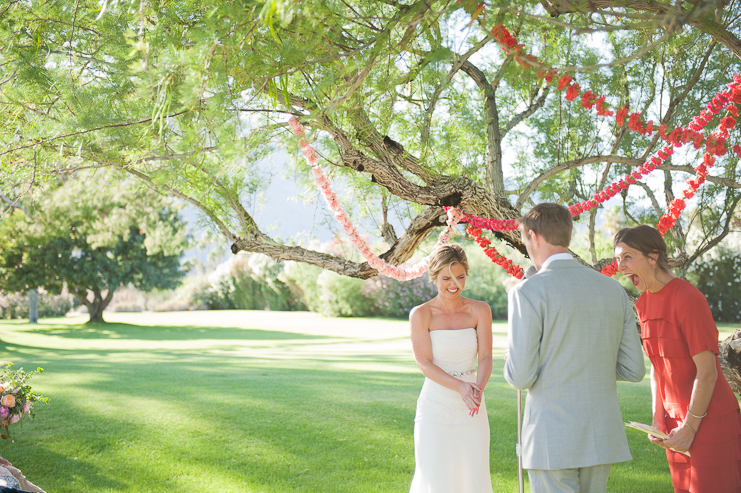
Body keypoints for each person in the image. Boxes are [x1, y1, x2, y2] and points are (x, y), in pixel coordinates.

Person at [504, 203, 646, 493]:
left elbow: (520, 377)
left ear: (534, 236)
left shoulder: (528, 291)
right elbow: (634, 370)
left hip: (550, 435)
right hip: (600, 433)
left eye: (525, 240)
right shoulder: (613, 290)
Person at [614, 224, 741, 493]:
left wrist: (690, 428)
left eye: (627, 257)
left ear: (653, 256)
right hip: (674, 425)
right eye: (617, 259)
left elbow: (707, 372)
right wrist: (658, 418)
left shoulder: (688, 298)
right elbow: (658, 369)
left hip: (709, 422)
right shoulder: (642, 303)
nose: (621, 266)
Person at [408, 245, 494, 493]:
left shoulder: (480, 310)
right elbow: (424, 363)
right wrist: (461, 387)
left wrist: (477, 389)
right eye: (446, 278)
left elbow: (486, 356)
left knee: (473, 475)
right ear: (433, 277)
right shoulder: (421, 314)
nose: (454, 284)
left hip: (472, 405)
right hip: (435, 405)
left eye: (460, 277)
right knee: (435, 474)